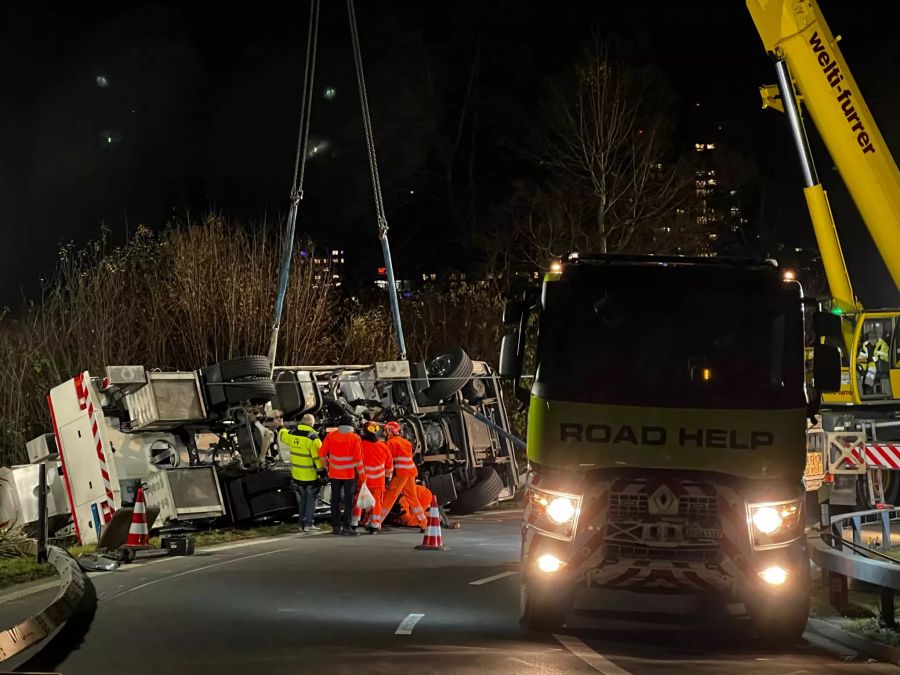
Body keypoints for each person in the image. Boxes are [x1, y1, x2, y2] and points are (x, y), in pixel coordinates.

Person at [278, 414, 324, 532]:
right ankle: (309, 524)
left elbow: (282, 435)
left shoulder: (293, 433)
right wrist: (322, 472)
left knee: (303, 498)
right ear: (312, 424)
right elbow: (318, 458)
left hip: (297, 474)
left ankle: (302, 523)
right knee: (311, 499)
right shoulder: (313, 438)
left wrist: (281, 426)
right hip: (309, 475)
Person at [319, 422, 365, 536]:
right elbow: (358, 459)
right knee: (349, 502)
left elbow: (321, 453)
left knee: (335, 500)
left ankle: (335, 527)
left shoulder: (331, 436)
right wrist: (363, 476)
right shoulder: (355, 438)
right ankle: (346, 527)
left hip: (334, 474)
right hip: (349, 475)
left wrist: (327, 465)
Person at [379, 421, 427, 530]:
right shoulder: (406, 442)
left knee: (390, 497)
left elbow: (388, 462)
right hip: (410, 473)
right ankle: (423, 522)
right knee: (412, 498)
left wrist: (387, 477)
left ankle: (377, 522)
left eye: (386, 431)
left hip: (400, 474)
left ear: (390, 431)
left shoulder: (390, 443)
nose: (385, 433)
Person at [352, 421, 393, 534]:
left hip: (363, 480)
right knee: (377, 503)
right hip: (378, 482)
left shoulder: (360, 444)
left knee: (358, 501)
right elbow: (389, 466)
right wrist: (387, 478)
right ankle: (374, 525)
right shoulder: (383, 447)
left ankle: (354, 523)